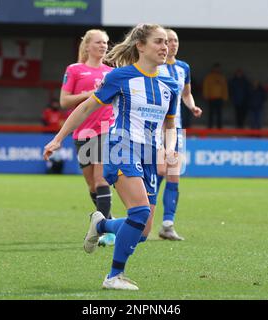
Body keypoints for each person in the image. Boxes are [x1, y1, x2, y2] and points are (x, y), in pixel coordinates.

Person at [44, 23, 179, 290]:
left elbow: (170, 125)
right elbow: (86, 108)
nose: (165, 47)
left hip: (150, 155)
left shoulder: (170, 83)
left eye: (167, 42)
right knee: (139, 212)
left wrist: (169, 147)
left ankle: (102, 224)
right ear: (140, 46)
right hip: (121, 148)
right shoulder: (121, 77)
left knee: (141, 231)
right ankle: (113, 276)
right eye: (158, 42)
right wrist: (58, 138)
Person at [59, 29, 115, 246]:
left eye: (106, 43)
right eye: (99, 42)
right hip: (83, 132)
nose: (103, 46)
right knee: (92, 185)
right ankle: (108, 221)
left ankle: (106, 232)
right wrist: (90, 94)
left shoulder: (111, 72)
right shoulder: (74, 70)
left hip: (105, 129)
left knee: (102, 180)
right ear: (88, 45)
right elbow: (64, 101)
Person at [155, 29, 202, 241]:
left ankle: (167, 224)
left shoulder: (184, 67)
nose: (172, 44)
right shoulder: (154, 66)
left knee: (173, 175)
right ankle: (141, 218)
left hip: (175, 129)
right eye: (168, 40)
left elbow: (186, 93)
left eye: (175, 40)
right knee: (156, 173)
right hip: (155, 129)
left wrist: (192, 107)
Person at [202, 63, 228, 129]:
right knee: (211, 113)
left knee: (219, 113)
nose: (217, 69)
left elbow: (224, 88)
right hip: (211, 98)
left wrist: (225, 97)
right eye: (216, 68)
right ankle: (210, 127)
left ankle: (219, 127)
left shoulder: (222, 77)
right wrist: (206, 96)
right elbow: (206, 87)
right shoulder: (209, 77)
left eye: (218, 68)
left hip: (219, 98)